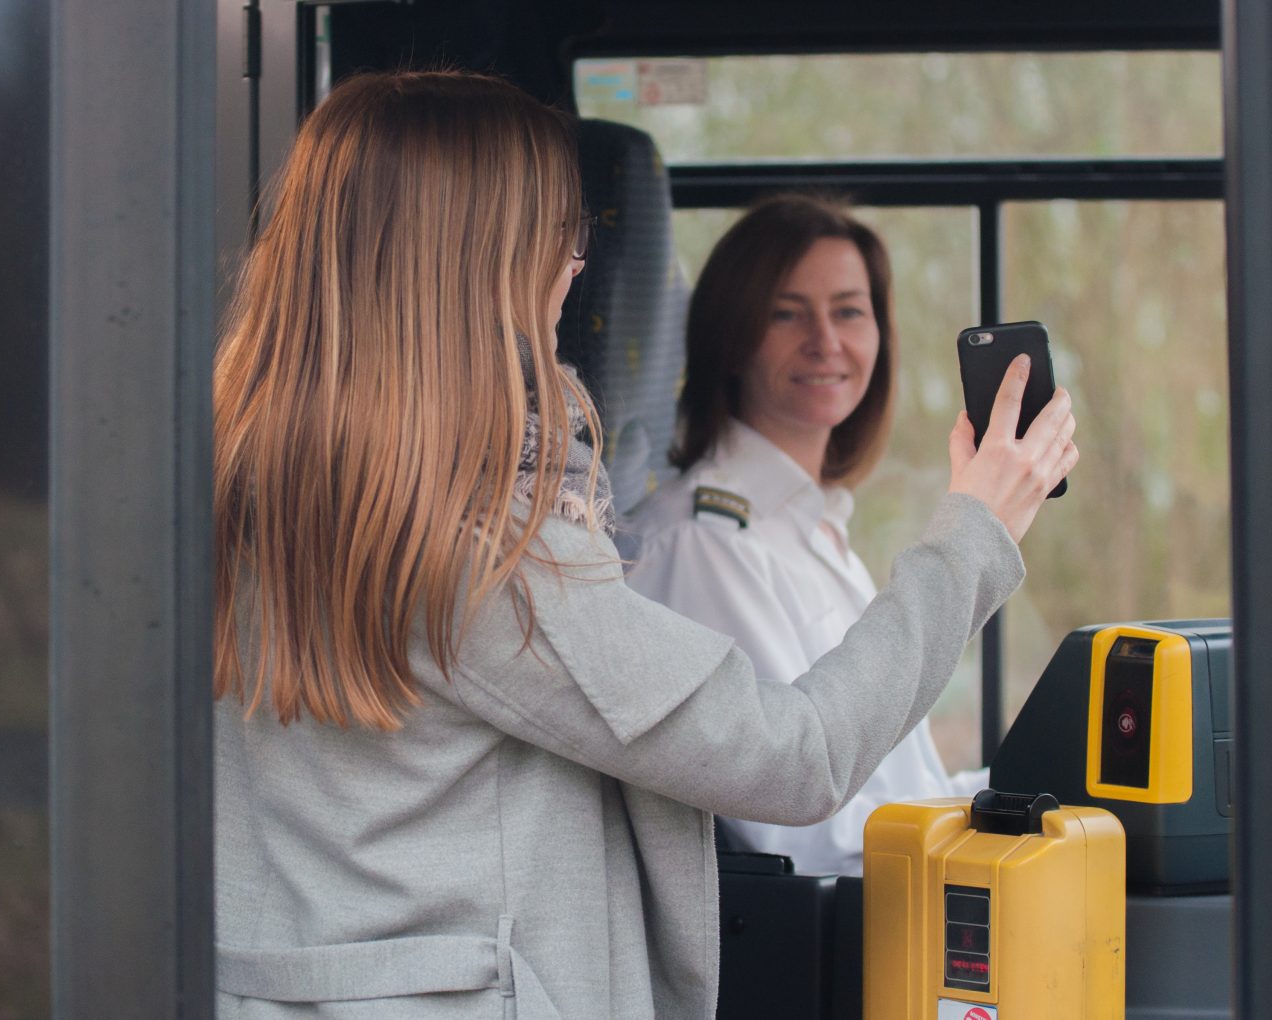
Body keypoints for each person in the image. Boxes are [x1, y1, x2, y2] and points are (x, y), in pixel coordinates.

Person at [212, 71, 1076, 1020]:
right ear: (474, 263)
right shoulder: (481, 555)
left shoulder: (240, 489)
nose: (577, 267)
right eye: (557, 235)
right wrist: (977, 530)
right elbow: (798, 756)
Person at [624, 194, 991, 876]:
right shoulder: (704, 542)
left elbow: (902, 794)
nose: (826, 341)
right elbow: (802, 832)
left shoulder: (813, 530)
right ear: (732, 338)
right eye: (786, 313)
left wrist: (1018, 797)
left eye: (849, 310)